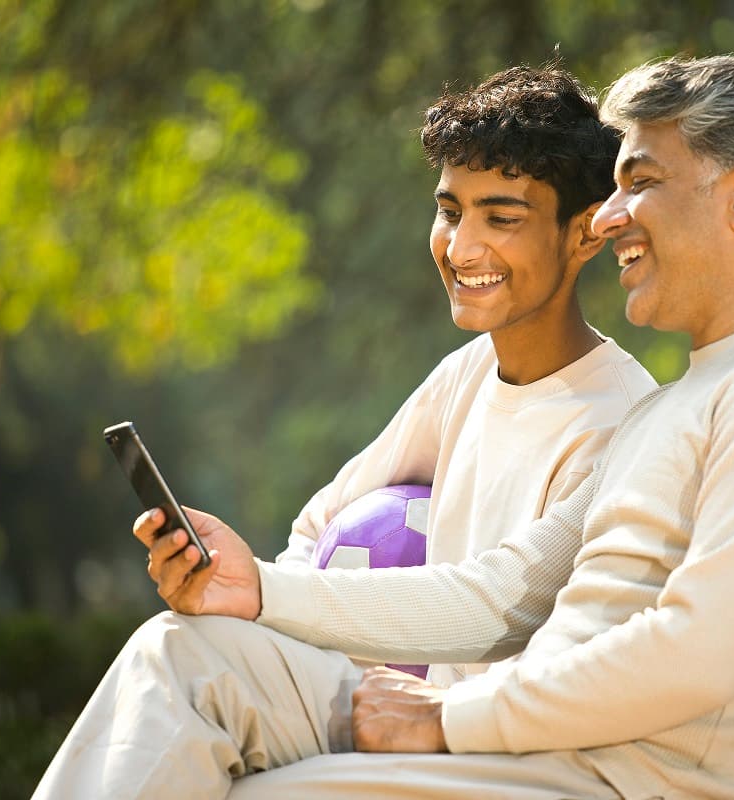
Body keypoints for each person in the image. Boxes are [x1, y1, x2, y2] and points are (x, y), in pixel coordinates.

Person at [34, 54, 734, 800]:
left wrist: (450, 719)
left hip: (615, 782)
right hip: (536, 755)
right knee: (192, 660)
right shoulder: (689, 400)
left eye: (642, 181)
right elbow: (500, 594)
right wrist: (258, 591)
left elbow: (696, 655)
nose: (613, 215)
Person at [273, 65, 656, 682]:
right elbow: (315, 527)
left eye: (500, 219)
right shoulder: (466, 374)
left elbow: (512, 614)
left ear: (585, 234)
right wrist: (279, 623)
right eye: (451, 212)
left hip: (481, 755)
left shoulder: (619, 422)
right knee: (182, 647)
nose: (460, 249)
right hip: (383, 718)